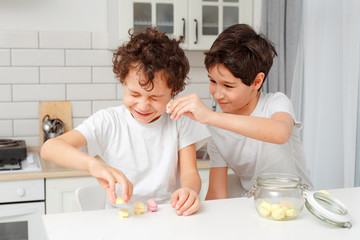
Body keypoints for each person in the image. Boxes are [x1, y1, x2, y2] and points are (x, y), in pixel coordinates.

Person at [40, 27, 210, 216]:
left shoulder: (180, 120)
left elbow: (190, 174)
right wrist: (93, 165)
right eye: (134, 94)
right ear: (123, 82)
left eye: (155, 98)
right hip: (121, 218)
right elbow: (50, 148)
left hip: (169, 215)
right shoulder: (108, 121)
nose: (143, 105)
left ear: (174, 91)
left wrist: (189, 191)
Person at [166, 24, 313, 200]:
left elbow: (280, 133)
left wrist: (210, 117)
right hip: (257, 208)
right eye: (213, 81)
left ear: (257, 82)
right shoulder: (217, 129)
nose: (217, 94)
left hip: (300, 203)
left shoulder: (275, 103)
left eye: (228, 86)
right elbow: (216, 194)